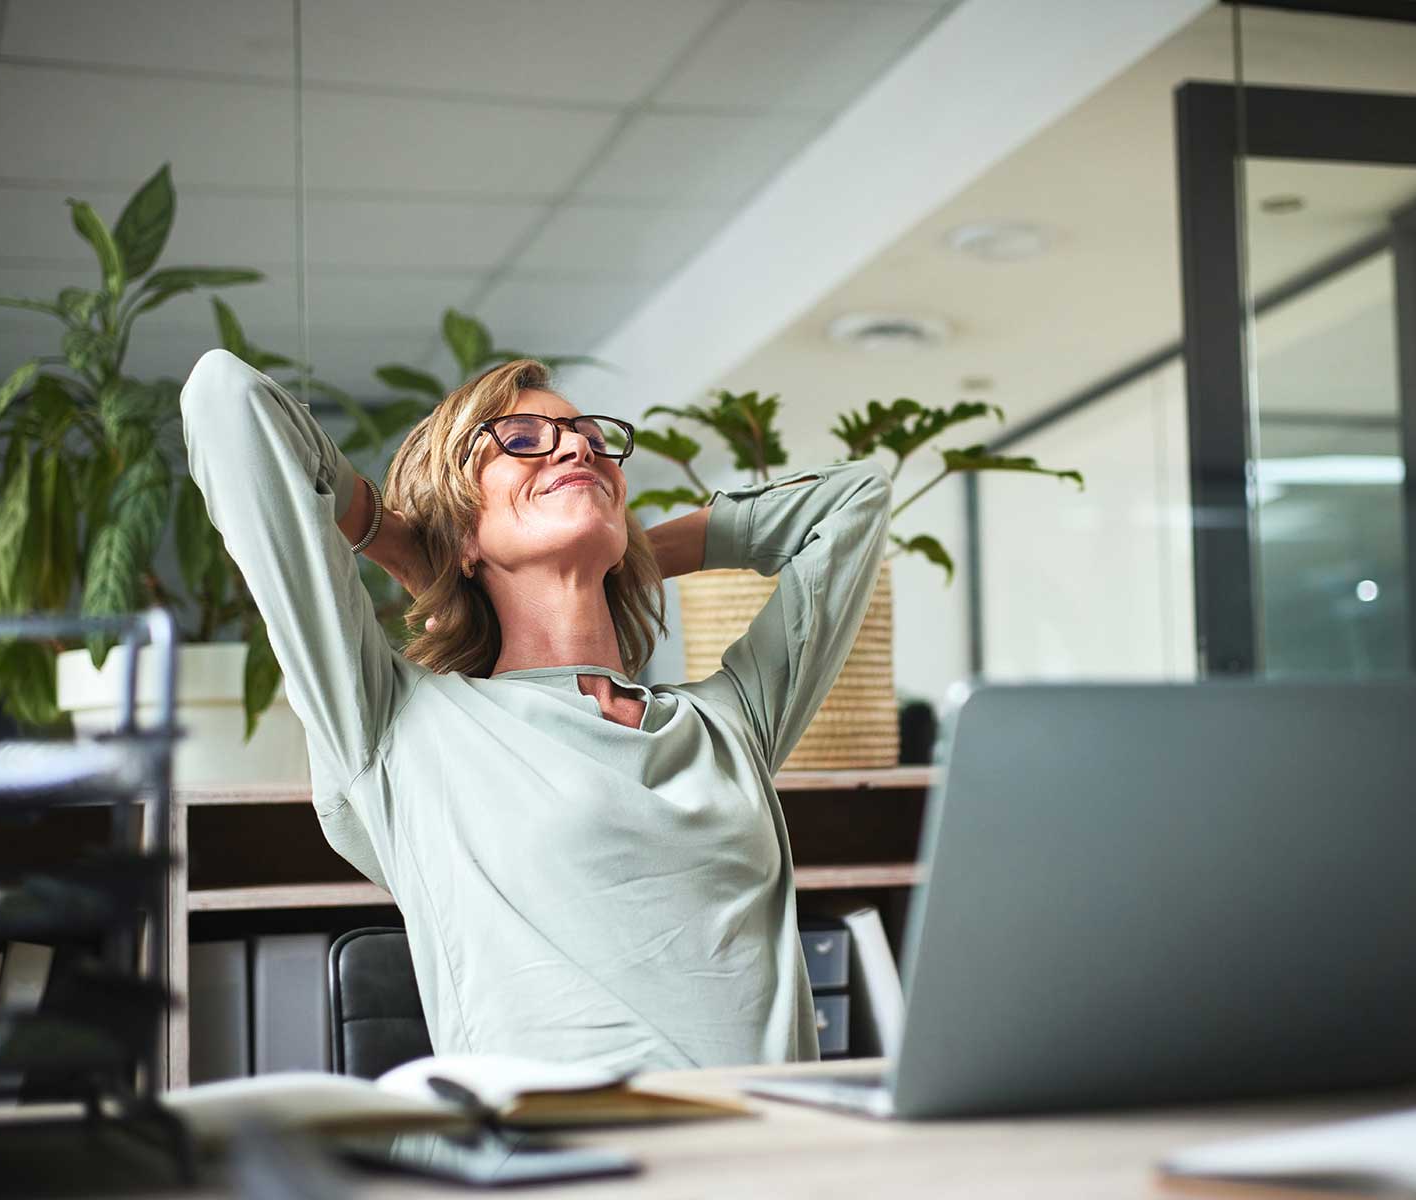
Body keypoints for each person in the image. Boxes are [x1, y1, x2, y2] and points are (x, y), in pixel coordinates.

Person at [179, 348, 892, 1072]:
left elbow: (855, 499)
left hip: (774, 1160)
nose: (579, 444)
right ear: (461, 530)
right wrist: (402, 540)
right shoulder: (397, 725)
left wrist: (633, 551)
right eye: (522, 439)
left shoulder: (729, 725)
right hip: (559, 1166)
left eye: (588, 437)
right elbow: (226, 399)